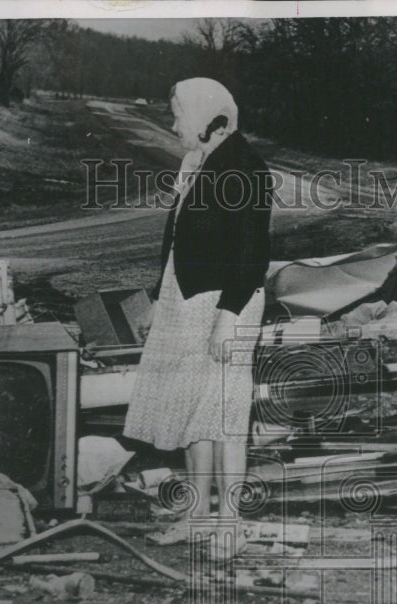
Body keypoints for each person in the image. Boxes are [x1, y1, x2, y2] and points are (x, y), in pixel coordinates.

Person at [123, 77, 271, 543]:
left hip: (229, 303)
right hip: (187, 298)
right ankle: (196, 519)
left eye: (179, 115)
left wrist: (227, 318)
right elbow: (179, 238)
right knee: (192, 414)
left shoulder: (245, 167)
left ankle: (229, 523)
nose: (173, 125)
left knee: (225, 417)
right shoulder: (197, 163)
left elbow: (252, 254)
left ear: (211, 120)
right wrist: (157, 297)